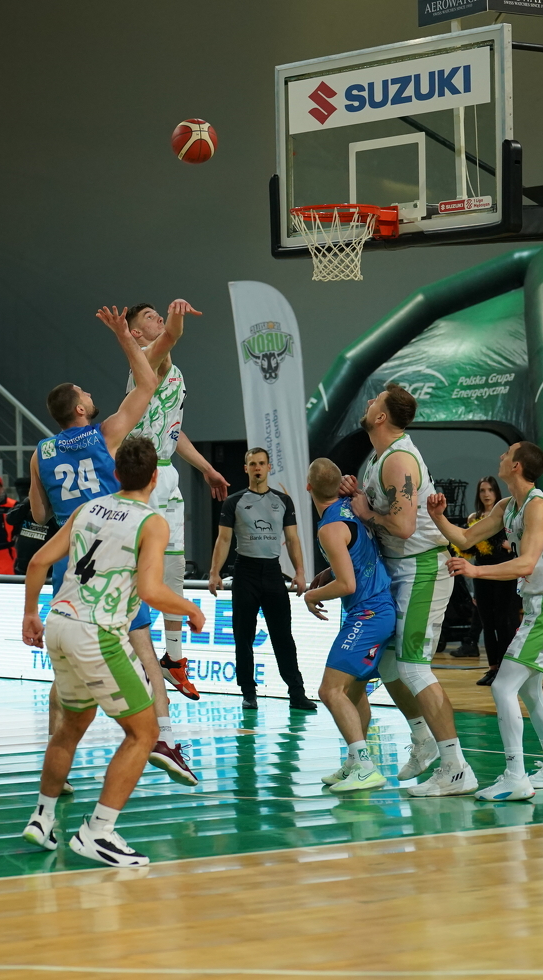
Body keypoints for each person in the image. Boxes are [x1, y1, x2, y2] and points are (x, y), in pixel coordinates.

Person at [29, 304, 197, 786]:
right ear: (80, 409)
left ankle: (56, 758)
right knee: (145, 652)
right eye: (84, 392)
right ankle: (164, 738)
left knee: (64, 677)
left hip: (68, 563)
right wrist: (123, 336)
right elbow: (146, 384)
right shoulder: (106, 435)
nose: (90, 393)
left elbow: (38, 517)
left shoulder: (41, 452)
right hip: (112, 547)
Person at [19, 436, 205, 866]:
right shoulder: (152, 522)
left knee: (72, 724)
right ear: (155, 477)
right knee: (144, 733)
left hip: (59, 623)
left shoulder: (87, 508)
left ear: (116, 473)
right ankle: (98, 832)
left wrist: (30, 613)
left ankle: (42, 817)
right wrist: (190, 608)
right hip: (97, 632)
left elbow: (38, 562)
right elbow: (151, 590)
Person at [341, 383, 478, 797]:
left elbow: (402, 526)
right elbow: (381, 513)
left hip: (421, 569)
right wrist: (358, 498)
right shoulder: (378, 457)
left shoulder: (399, 459)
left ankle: (456, 768)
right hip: (396, 568)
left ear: (382, 417)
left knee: (414, 667)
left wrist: (366, 511)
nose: (368, 403)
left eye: (375, 401)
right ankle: (422, 738)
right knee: (387, 664)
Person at [427, 442, 543, 801]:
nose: (500, 457)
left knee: (503, 687)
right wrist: (438, 517)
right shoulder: (507, 506)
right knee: (528, 689)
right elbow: (466, 538)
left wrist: (475, 571)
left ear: (517, 466)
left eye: (507, 454)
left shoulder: (538, 507)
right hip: (538, 604)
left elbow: (526, 563)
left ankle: (515, 776)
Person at [124, 302, 230, 700]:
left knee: (173, 570)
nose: (157, 319)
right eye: (148, 317)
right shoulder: (147, 360)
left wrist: (206, 468)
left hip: (167, 473)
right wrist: (176, 314)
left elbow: (174, 430)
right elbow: (171, 335)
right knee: (140, 569)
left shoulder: (173, 370)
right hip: (144, 476)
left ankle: (173, 657)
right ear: (135, 333)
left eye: (159, 314)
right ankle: (127, 649)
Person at [302, 458, 396, 793]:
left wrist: (311, 595)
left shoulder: (329, 528)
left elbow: (347, 585)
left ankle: (366, 767)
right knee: (354, 692)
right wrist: (329, 572)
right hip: (381, 606)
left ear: (308, 487)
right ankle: (356, 761)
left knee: (329, 691)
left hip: (368, 613)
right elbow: (356, 553)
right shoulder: (350, 507)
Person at [207, 447, 312, 710]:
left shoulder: (283, 501)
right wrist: (214, 573)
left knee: (283, 636)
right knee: (243, 636)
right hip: (245, 572)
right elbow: (224, 539)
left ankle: (297, 693)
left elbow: (292, 539)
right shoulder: (234, 501)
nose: (257, 468)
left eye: (261, 463)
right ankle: (248, 692)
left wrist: (300, 572)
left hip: (273, 572)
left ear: (268, 467)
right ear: (246, 468)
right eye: (252, 464)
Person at [460, 475, 518, 687]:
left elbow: (518, 540)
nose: (486, 494)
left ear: (497, 492)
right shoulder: (474, 518)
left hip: (503, 572)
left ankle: (505, 668)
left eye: (490, 490)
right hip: (481, 573)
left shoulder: (505, 515)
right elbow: (468, 544)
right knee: (487, 622)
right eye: (482, 490)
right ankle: (492, 667)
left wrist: (509, 545)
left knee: (503, 622)